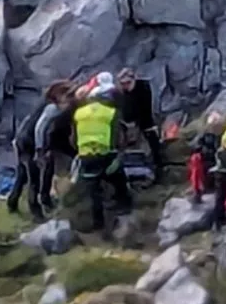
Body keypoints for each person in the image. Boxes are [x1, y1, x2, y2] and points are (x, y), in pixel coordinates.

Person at [7, 79, 76, 220]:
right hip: (28, 143)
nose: (70, 101)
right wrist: (39, 151)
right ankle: (35, 211)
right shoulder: (52, 108)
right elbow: (40, 128)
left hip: (24, 140)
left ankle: (14, 203)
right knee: (34, 177)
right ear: (59, 96)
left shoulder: (48, 106)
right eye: (68, 97)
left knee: (27, 174)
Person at [72, 78, 133, 232]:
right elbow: (117, 136)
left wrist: (80, 150)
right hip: (105, 154)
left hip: (86, 156)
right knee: (119, 178)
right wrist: (118, 152)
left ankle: (97, 224)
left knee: (93, 191)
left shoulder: (79, 113)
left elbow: (73, 138)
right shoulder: (111, 112)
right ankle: (124, 206)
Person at [116, 68, 164, 183]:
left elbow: (145, 108)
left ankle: (157, 173)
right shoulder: (124, 93)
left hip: (145, 124)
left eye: (127, 83)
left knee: (152, 149)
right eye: (122, 84)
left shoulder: (143, 88)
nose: (125, 86)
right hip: (130, 127)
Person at [188, 111, 224, 203]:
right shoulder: (204, 135)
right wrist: (203, 150)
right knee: (195, 160)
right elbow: (194, 146)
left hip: (216, 164)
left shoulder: (221, 136)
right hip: (205, 162)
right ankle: (197, 190)